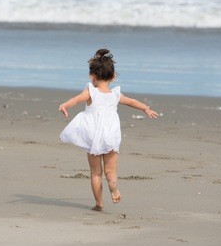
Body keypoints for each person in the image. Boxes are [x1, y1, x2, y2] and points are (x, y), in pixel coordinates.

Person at [59, 48, 158, 212]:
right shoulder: (115, 94)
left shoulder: (90, 91)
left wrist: (65, 105)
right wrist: (145, 108)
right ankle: (113, 186)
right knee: (110, 170)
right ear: (113, 76)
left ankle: (99, 204)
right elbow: (132, 102)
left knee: (96, 173)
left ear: (92, 76)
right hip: (111, 135)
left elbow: (76, 100)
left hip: (93, 136)